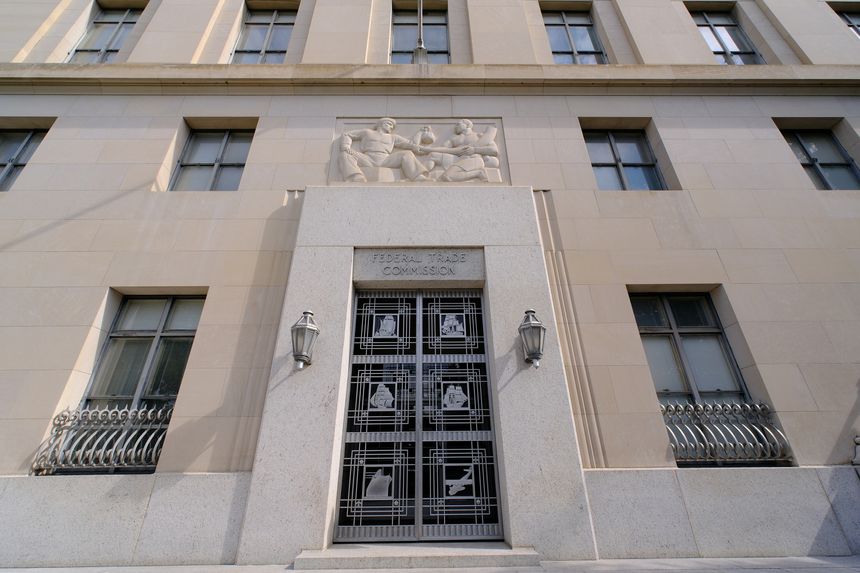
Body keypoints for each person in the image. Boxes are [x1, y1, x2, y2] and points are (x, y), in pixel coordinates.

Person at [339, 117, 430, 182]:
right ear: (381, 124)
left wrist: (420, 133)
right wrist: (346, 146)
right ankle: (356, 177)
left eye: (392, 126)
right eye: (389, 124)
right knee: (345, 154)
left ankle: (417, 176)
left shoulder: (393, 137)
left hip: (386, 159)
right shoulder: (367, 132)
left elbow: (411, 144)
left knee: (407, 153)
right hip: (367, 158)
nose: (390, 127)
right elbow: (347, 134)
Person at [419, 119, 499, 182]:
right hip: (456, 159)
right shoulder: (454, 138)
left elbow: (494, 150)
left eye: (458, 124)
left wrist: (475, 150)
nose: (455, 127)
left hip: (473, 160)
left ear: (467, 125)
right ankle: (420, 176)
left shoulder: (479, 136)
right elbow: (443, 149)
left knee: (447, 177)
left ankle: (478, 173)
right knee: (433, 155)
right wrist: (426, 148)